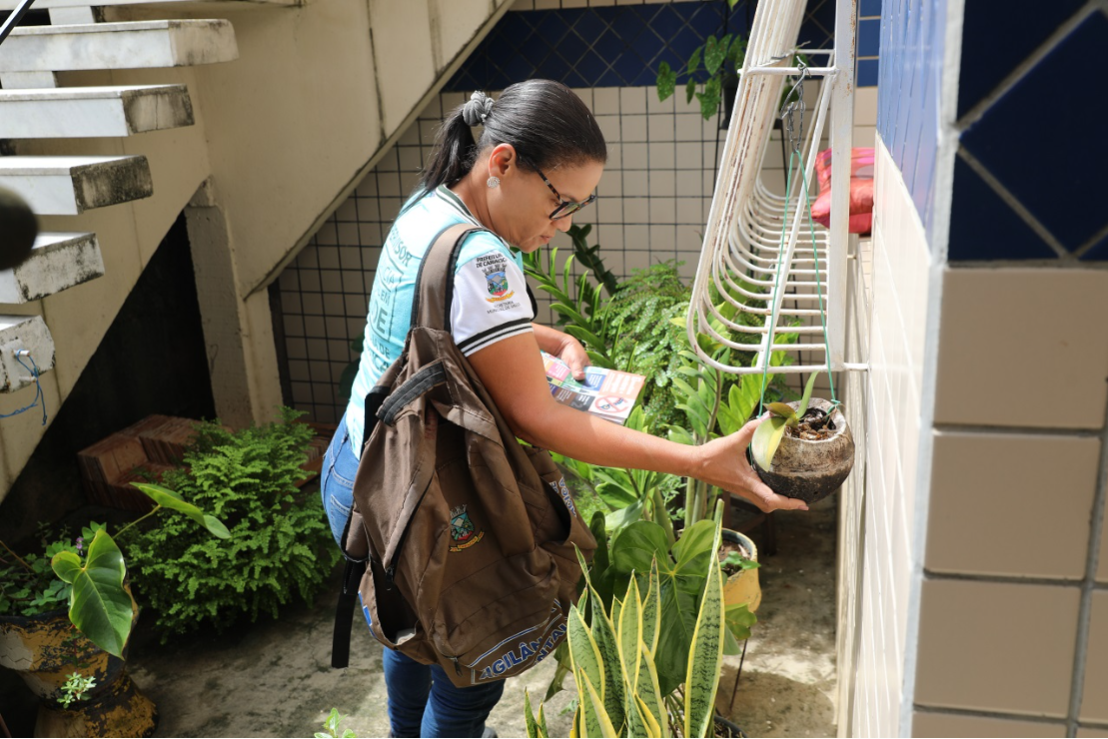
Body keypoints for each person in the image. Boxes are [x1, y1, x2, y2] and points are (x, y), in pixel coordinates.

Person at [321, 79, 808, 739]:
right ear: (503, 163)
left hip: (362, 474)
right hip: (436, 503)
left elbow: (429, 322)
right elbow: (539, 417)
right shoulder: (486, 262)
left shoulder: (427, 209)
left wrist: (540, 337)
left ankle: (404, 731)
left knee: (413, 625)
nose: (566, 222)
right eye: (562, 200)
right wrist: (698, 461)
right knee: (470, 667)